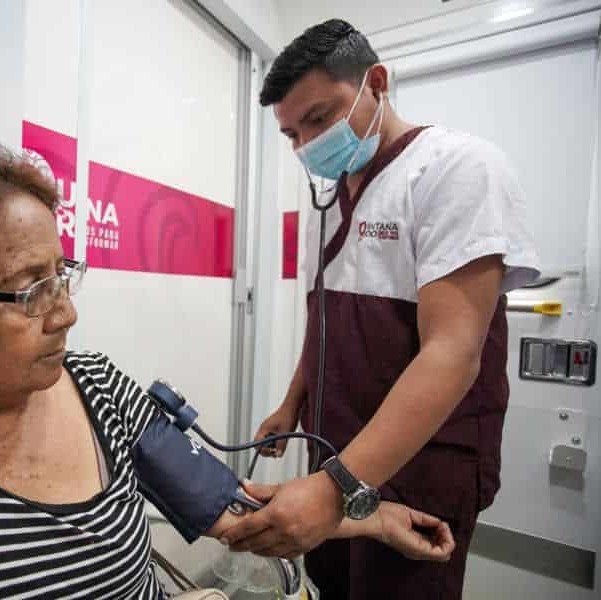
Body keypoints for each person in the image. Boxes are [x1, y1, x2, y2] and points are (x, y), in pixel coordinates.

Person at [0, 140, 454, 600]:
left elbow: (233, 513)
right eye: (30, 292)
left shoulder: (96, 388)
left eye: (63, 278)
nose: (66, 316)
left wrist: (365, 516)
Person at [220, 19, 540, 600]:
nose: (307, 145)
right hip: (337, 455)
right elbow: (329, 321)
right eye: (292, 133)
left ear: (377, 82)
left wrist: (335, 485)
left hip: (421, 467)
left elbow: (453, 352)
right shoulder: (335, 194)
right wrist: (291, 405)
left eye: (319, 118)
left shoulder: (456, 168)